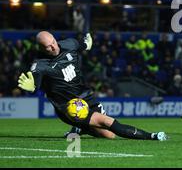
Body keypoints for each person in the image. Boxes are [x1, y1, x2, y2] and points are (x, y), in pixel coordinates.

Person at [17, 31, 167, 141]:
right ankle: (153, 136)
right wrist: (32, 88)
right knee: (107, 122)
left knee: (110, 136)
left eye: (53, 42)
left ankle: (81, 128)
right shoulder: (39, 65)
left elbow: (84, 45)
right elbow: (34, 84)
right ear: (41, 48)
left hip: (86, 96)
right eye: (48, 47)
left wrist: (87, 44)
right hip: (69, 107)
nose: (53, 47)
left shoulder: (69, 44)